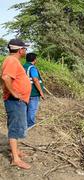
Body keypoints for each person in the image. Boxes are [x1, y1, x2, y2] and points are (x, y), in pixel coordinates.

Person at [1, 39, 31, 169]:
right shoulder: (12, 60)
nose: (25, 51)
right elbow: (6, 77)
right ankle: (15, 158)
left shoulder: (12, 61)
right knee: (15, 128)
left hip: (17, 101)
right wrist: (14, 93)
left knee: (16, 126)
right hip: (15, 101)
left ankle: (16, 151)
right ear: (20, 50)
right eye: (25, 48)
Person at [23, 53, 45, 129]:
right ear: (34, 60)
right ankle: (30, 126)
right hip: (33, 93)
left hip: (24, 92)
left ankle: (24, 125)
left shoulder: (23, 66)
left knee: (26, 109)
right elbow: (35, 80)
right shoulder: (32, 68)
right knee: (32, 110)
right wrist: (41, 92)